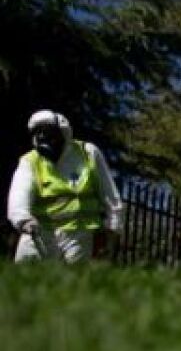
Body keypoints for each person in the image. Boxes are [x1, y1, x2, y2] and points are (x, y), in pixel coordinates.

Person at [6, 110, 124, 263]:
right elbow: (19, 195)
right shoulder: (30, 161)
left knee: (72, 284)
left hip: (80, 236)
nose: (43, 137)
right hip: (38, 233)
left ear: (63, 133)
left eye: (48, 132)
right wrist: (23, 220)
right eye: (38, 132)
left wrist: (113, 229)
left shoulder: (87, 153)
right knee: (25, 281)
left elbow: (110, 196)